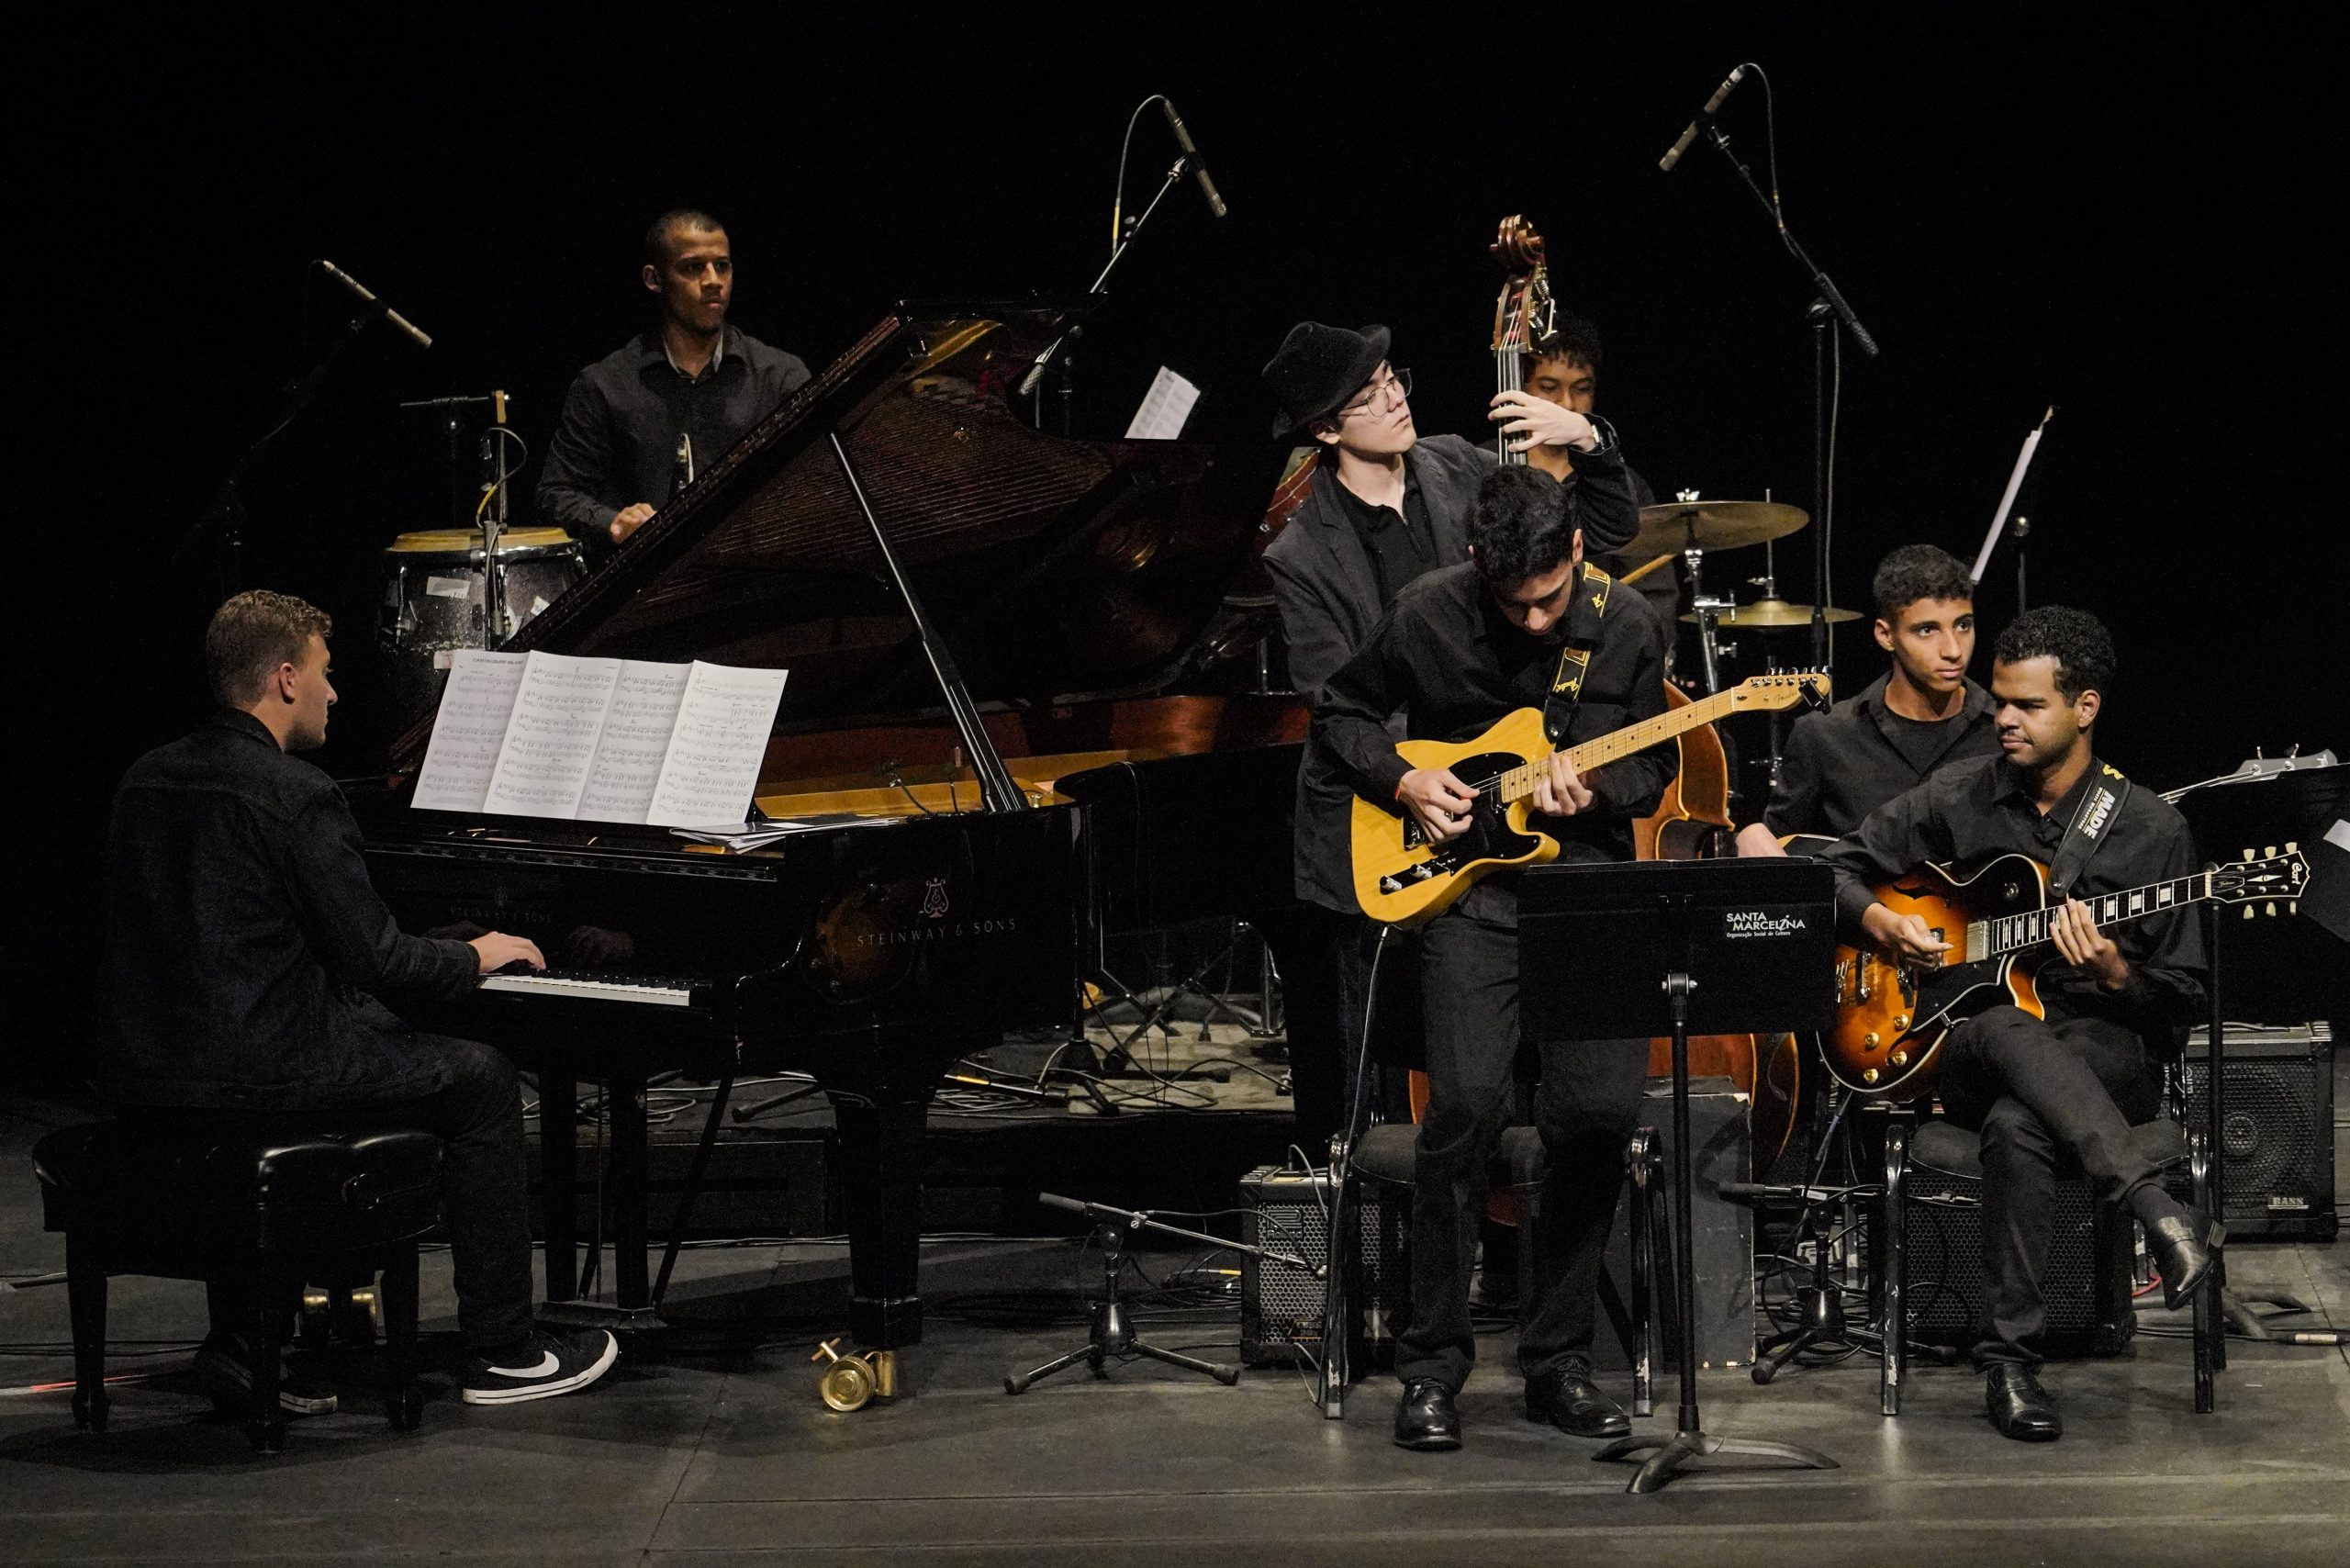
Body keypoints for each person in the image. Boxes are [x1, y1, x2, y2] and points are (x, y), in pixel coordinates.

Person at [94, 590, 621, 1411]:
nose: (336, 694)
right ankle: (503, 1350)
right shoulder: (294, 792)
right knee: (479, 1078)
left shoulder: (145, 777)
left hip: (144, 1069)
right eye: (325, 674)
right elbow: (377, 958)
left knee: (385, 1031)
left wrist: (431, 948)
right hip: (264, 1071)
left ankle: (245, 1341)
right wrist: (474, 954)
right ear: (285, 678)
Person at [1310, 466, 1674, 1450]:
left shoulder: (1629, 625)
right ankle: (1432, 1368)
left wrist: (1594, 797)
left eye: (1548, 598)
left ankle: (1558, 1360)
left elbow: (1653, 771)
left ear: (1577, 555)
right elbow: (1338, 713)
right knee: (1459, 1116)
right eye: (1511, 602)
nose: (1531, 618)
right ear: (1476, 565)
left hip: (1589, 894)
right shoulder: (1425, 613)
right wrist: (1405, 776)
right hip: (1474, 899)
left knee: (1595, 1116)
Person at [1822, 606, 2221, 1441]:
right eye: (1999, 700)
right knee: (2004, 1026)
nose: (2002, 718)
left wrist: (2115, 972)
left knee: (2018, 1119)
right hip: (1962, 1042)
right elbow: (1835, 867)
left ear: (2084, 708)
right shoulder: (1958, 795)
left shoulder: (2153, 828)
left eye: (2027, 705)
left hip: (2104, 1047)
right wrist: (1881, 924)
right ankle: (2157, 1212)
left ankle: (2009, 1366)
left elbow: (2183, 1001)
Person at [1257, 321, 1639, 1152]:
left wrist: (1593, 443)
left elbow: (1607, 535)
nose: (1395, 398)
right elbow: (1336, 702)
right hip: (1385, 802)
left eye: (1392, 377)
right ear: (1326, 430)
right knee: (1390, 1059)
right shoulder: (1300, 549)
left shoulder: (1462, 464)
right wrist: (1409, 781)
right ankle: (1383, 1231)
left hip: (1498, 799)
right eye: (1368, 396)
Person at [537, 209, 811, 552]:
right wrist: (612, 522)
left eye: (722, 266)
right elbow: (557, 492)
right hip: (647, 590)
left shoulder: (781, 376)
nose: (713, 280)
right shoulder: (604, 385)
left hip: (757, 580)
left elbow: (819, 484)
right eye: (694, 267)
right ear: (654, 279)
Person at [1739, 543, 2000, 853]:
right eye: (1927, 630)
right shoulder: (1824, 737)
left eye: (1963, 625)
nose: (1954, 650)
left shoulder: (2003, 731)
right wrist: (1748, 835)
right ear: (1885, 635)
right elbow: (1779, 850)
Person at [1516, 312, 1676, 645]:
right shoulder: (1482, 465)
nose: (1567, 405)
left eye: (1582, 389)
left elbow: (1656, 596)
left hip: (1602, 651)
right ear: (1521, 388)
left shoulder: (1617, 483)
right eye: (1549, 388)